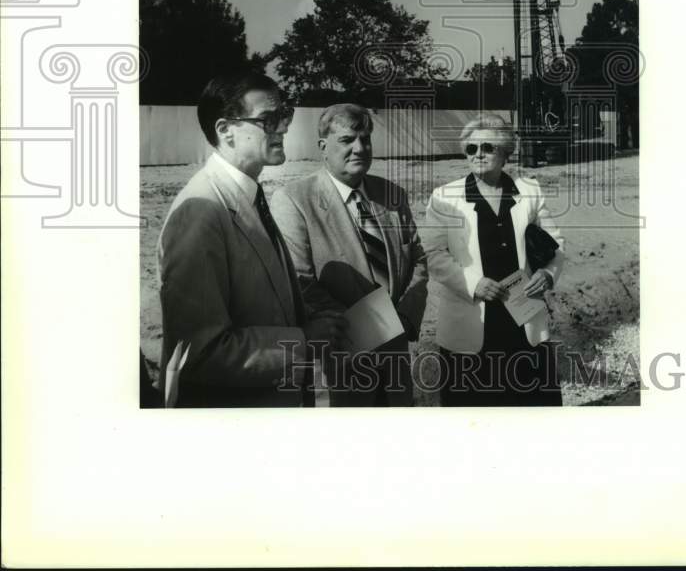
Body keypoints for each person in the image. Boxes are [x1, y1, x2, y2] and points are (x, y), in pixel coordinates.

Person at [156, 70, 345, 407]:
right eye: (268, 119)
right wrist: (303, 341)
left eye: (284, 115)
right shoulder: (200, 213)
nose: (284, 127)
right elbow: (199, 353)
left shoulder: (244, 193)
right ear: (226, 130)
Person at [270, 103, 428, 406]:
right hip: (339, 361)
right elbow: (300, 283)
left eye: (365, 139)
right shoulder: (293, 201)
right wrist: (367, 328)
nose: (359, 148)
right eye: (346, 140)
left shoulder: (392, 195)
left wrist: (406, 316)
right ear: (323, 147)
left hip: (395, 360)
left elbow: (418, 260)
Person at [423, 114, 565, 406]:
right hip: (469, 324)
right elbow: (433, 254)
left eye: (487, 147)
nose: (478, 155)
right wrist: (474, 284)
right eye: (471, 149)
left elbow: (556, 245)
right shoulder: (445, 197)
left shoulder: (529, 191)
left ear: (505, 152)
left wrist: (548, 275)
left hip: (524, 322)